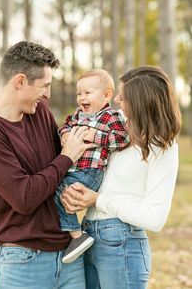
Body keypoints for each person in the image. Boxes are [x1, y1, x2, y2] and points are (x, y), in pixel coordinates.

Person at [0, 41, 97, 289]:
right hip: (25, 263)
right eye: (45, 86)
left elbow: (62, 171)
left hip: (70, 256)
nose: (48, 94)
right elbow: (24, 197)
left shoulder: (40, 111)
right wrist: (67, 156)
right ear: (20, 81)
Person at [61, 65, 181, 289]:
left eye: (123, 97)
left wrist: (97, 200)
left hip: (121, 242)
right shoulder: (113, 129)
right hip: (87, 235)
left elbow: (155, 218)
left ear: (141, 101)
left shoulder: (161, 145)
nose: (116, 99)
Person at [55, 69, 129, 264]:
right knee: (58, 192)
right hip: (74, 169)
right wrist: (64, 135)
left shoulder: (111, 117)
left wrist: (94, 136)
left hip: (91, 171)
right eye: (79, 94)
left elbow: (122, 139)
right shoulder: (77, 115)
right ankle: (73, 235)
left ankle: (76, 236)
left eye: (88, 93)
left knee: (60, 193)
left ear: (106, 95)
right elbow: (65, 126)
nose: (81, 98)